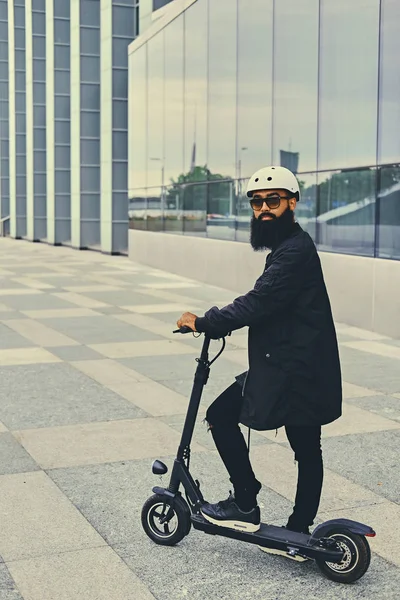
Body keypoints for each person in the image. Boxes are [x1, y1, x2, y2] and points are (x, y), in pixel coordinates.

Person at [177, 166, 342, 549]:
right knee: (301, 443)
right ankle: (272, 513)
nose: (263, 209)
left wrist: (205, 321)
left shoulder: (294, 253)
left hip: (296, 371)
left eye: (273, 200)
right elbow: (268, 303)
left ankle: (263, 510)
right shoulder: (288, 248)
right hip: (288, 363)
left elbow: (259, 301)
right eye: (257, 202)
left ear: (292, 202)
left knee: (235, 420)